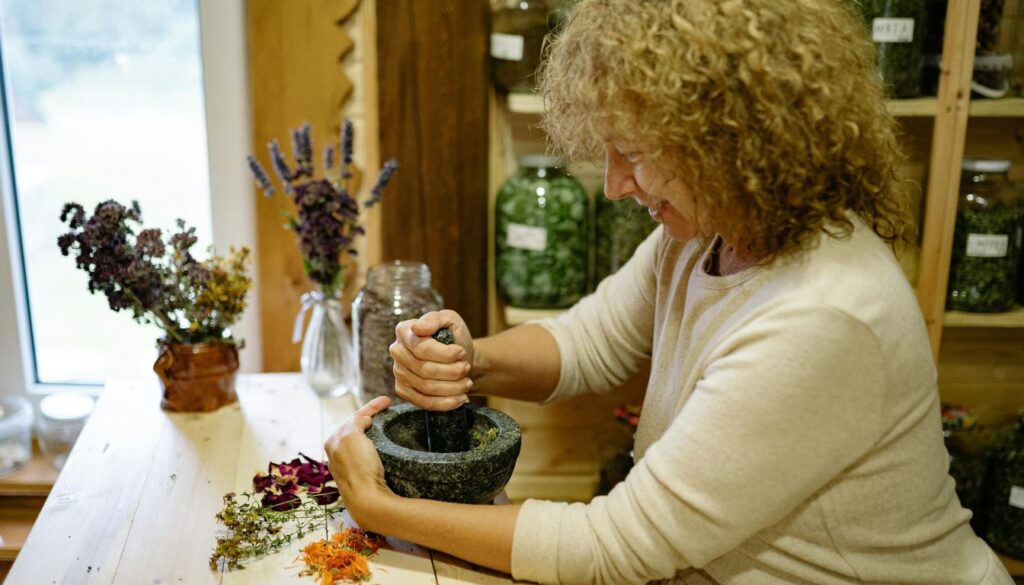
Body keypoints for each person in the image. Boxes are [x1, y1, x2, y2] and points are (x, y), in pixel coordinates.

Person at [324, 0, 1015, 583]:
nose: (618, 184)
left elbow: (614, 545)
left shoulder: (823, 314)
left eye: (636, 151)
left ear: (733, 139)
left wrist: (377, 503)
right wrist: (470, 360)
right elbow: (589, 342)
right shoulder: (713, 230)